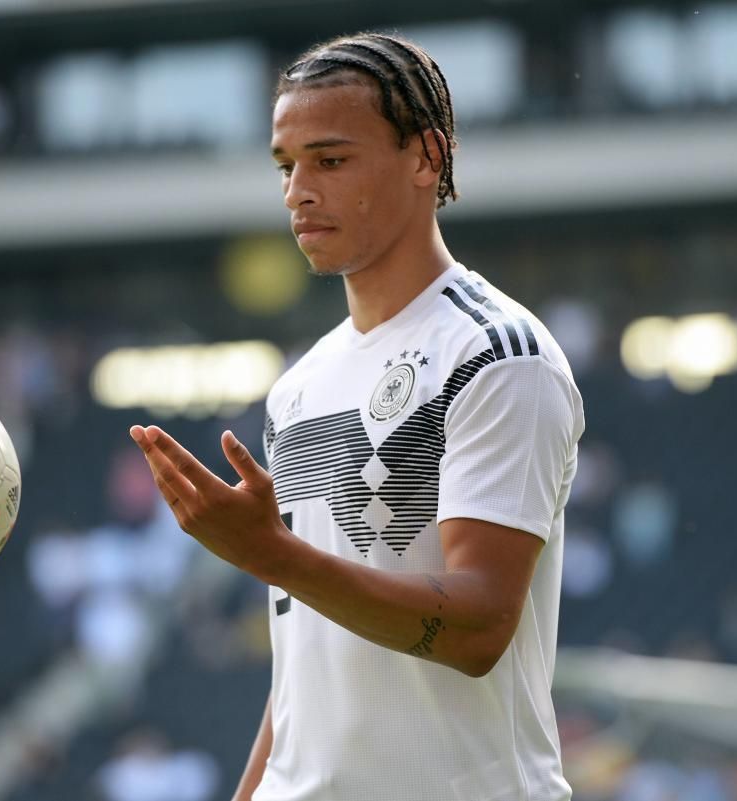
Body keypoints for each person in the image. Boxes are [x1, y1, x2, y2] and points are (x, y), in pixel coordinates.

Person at [130, 31, 584, 801]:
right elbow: (304, 672)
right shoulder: (299, 388)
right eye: (286, 165)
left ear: (425, 157)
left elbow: (478, 628)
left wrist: (276, 557)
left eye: (330, 160)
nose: (297, 192)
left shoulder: (498, 355)